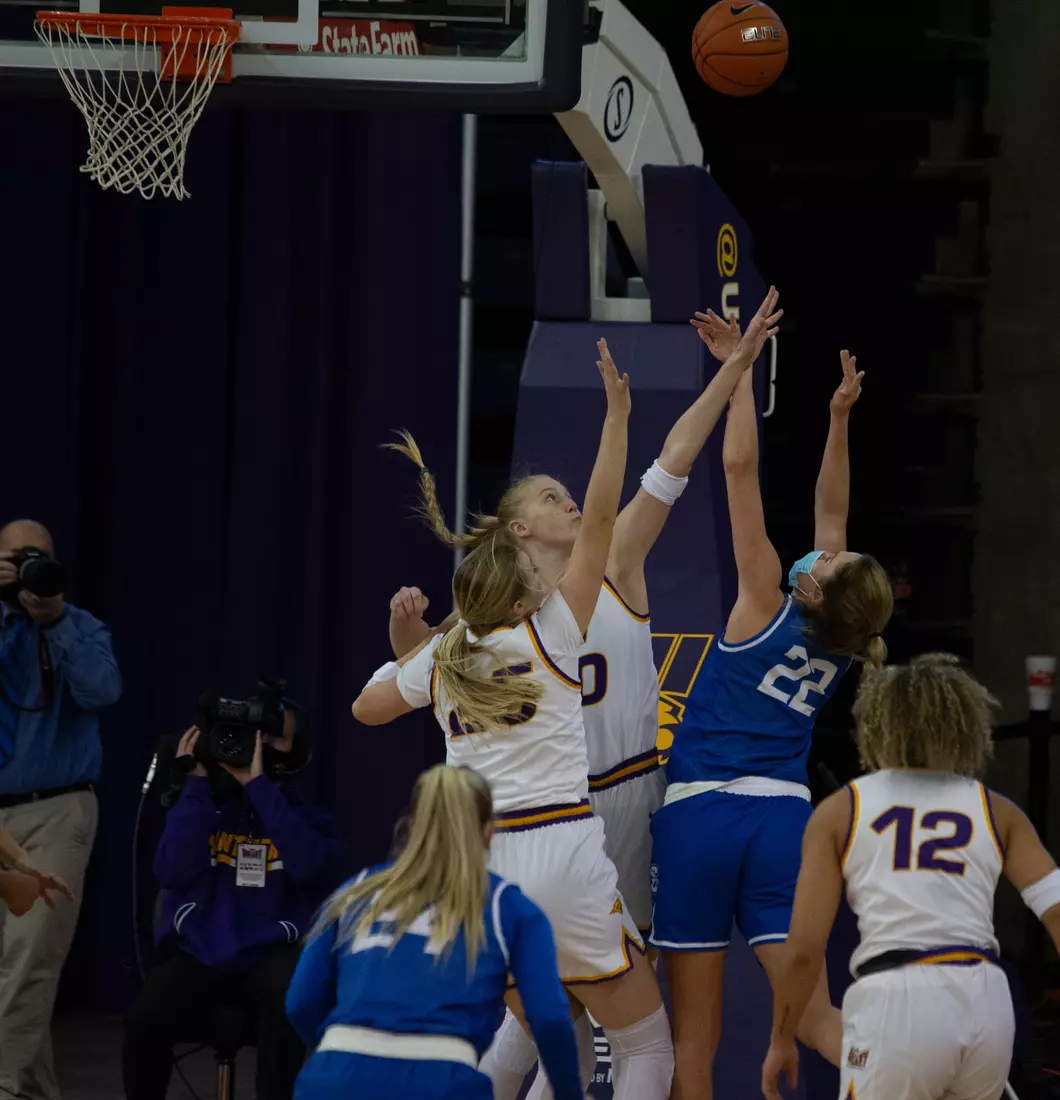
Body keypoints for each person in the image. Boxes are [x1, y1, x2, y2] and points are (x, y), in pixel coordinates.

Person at [387, 291, 781, 1100]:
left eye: (575, 494)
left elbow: (675, 455)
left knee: (579, 1013)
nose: (571, 501)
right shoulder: (487, 616)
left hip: (623, 801)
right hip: (547, 816)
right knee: (552, 1016)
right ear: (519, 532)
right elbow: (417, 685)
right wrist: (409, 638)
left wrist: (735, 370)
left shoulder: (618, 555)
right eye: (548, 497)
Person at [352, 341, 674, 1100]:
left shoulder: (448, 657)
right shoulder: (553, 632)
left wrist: (413, 655)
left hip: (479, 870)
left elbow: (367, 709)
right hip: (562, 847)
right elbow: (600, 515)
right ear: (524, 591)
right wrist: (618, 417)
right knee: (646, 1046)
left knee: (525, 1029)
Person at [648, 341, 894, 1099]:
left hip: (701, 815)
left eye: (830, 562)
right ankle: (912, 1084)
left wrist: (743, 374)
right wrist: (837, 418)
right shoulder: (845, 641)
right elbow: (832, 510)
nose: (825, 553)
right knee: (816, 1017)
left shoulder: (764, 599)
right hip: (785, 820)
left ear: (816, 592)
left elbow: (737, 471)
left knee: (693, 1039)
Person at [762, 654, 1060, 1100]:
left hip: (899, 997)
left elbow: (804, 950)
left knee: (818, 1022)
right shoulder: (998, 811)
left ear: (877, 726)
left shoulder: (843, 808)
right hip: (986, 999)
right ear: (963, 726)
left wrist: (780, 1039)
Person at [286, 764, 583, 1100]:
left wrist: (342, 1054)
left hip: (332, 1078)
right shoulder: (507, 907)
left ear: (412, 824)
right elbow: (550, 1019)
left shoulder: (355, 890)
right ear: (488, 831)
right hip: (442, 1081)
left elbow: (301, 1001)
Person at [122, 709, 345, 1100]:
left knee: (289, 1006)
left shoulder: (307, 818)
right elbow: (170, 873)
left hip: (272, 953)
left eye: (274, 738)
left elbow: (310, 866)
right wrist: (194, 787)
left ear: (298, 752)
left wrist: (260, 787)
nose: (258, 745)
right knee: (145, 1017)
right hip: (200, 953)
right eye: (254, 735)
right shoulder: (204, 808)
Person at [0, 518, 123, 1100]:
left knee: (27, 967)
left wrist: (55, 624)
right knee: (18, 980)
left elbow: (103, 691)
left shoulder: (81, 626)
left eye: (36, 558)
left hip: (56, 811)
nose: (27, 570)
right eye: (15, 559)